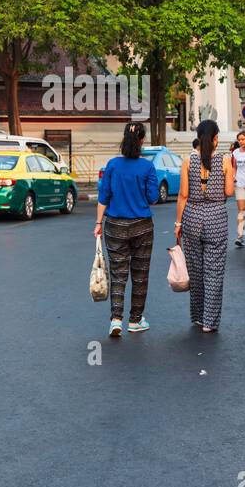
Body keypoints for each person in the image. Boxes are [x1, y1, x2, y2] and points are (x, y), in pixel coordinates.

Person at [94, 122, 160, 337]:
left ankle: (115, 320)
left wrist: (97, 224)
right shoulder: (147, 167)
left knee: (118, 274)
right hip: (142, 226)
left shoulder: (112, 165)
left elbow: (103, 197)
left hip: (114, 226)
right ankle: (135, 320)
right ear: (142, 140)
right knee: (140, 275)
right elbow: (152, 198)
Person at [175, 119, 234, 333]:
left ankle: (198, 317)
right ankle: (210, 321)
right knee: (214, 272)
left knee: (196, 270)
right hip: (216, 218)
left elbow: (183, 195)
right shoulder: (225, 161)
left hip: (192, 217)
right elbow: (229, 192)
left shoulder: (187, 161)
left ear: (199, 138)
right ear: (216, 138)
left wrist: (178, 223)